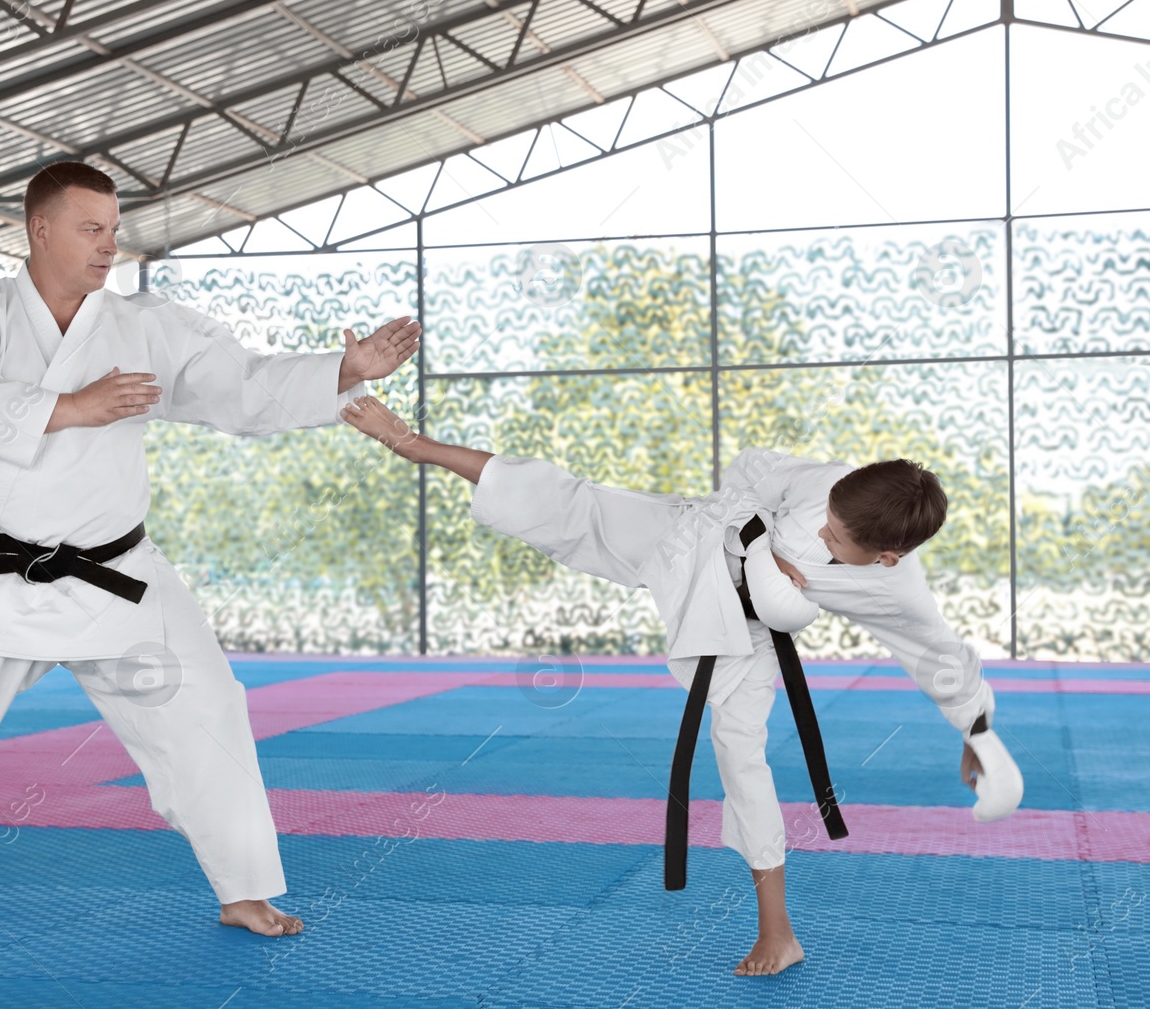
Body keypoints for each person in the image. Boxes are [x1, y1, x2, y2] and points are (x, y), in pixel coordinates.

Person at [0, 161, 421, 947]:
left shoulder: (145, 326)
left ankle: (244, 888)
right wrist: (75, 406)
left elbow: (240, 386)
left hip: (119, 576)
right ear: (39, 229)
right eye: (91, 229)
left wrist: (346, 368)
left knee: (208, 710)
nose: (110, 246)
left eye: (115, 230)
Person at [338, 394, 1022, 977]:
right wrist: (758, 534)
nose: (820, 531)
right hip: (695, 536)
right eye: (827, 517)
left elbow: (939, 652)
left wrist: (976, 729)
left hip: (743, 631)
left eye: (835, 538)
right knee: (577, 503)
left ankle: (777, 930)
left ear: (885, 557)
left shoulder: (896, 587)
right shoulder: (832, 485)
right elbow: (753, 464)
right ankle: (414, 443)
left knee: (740, 751)